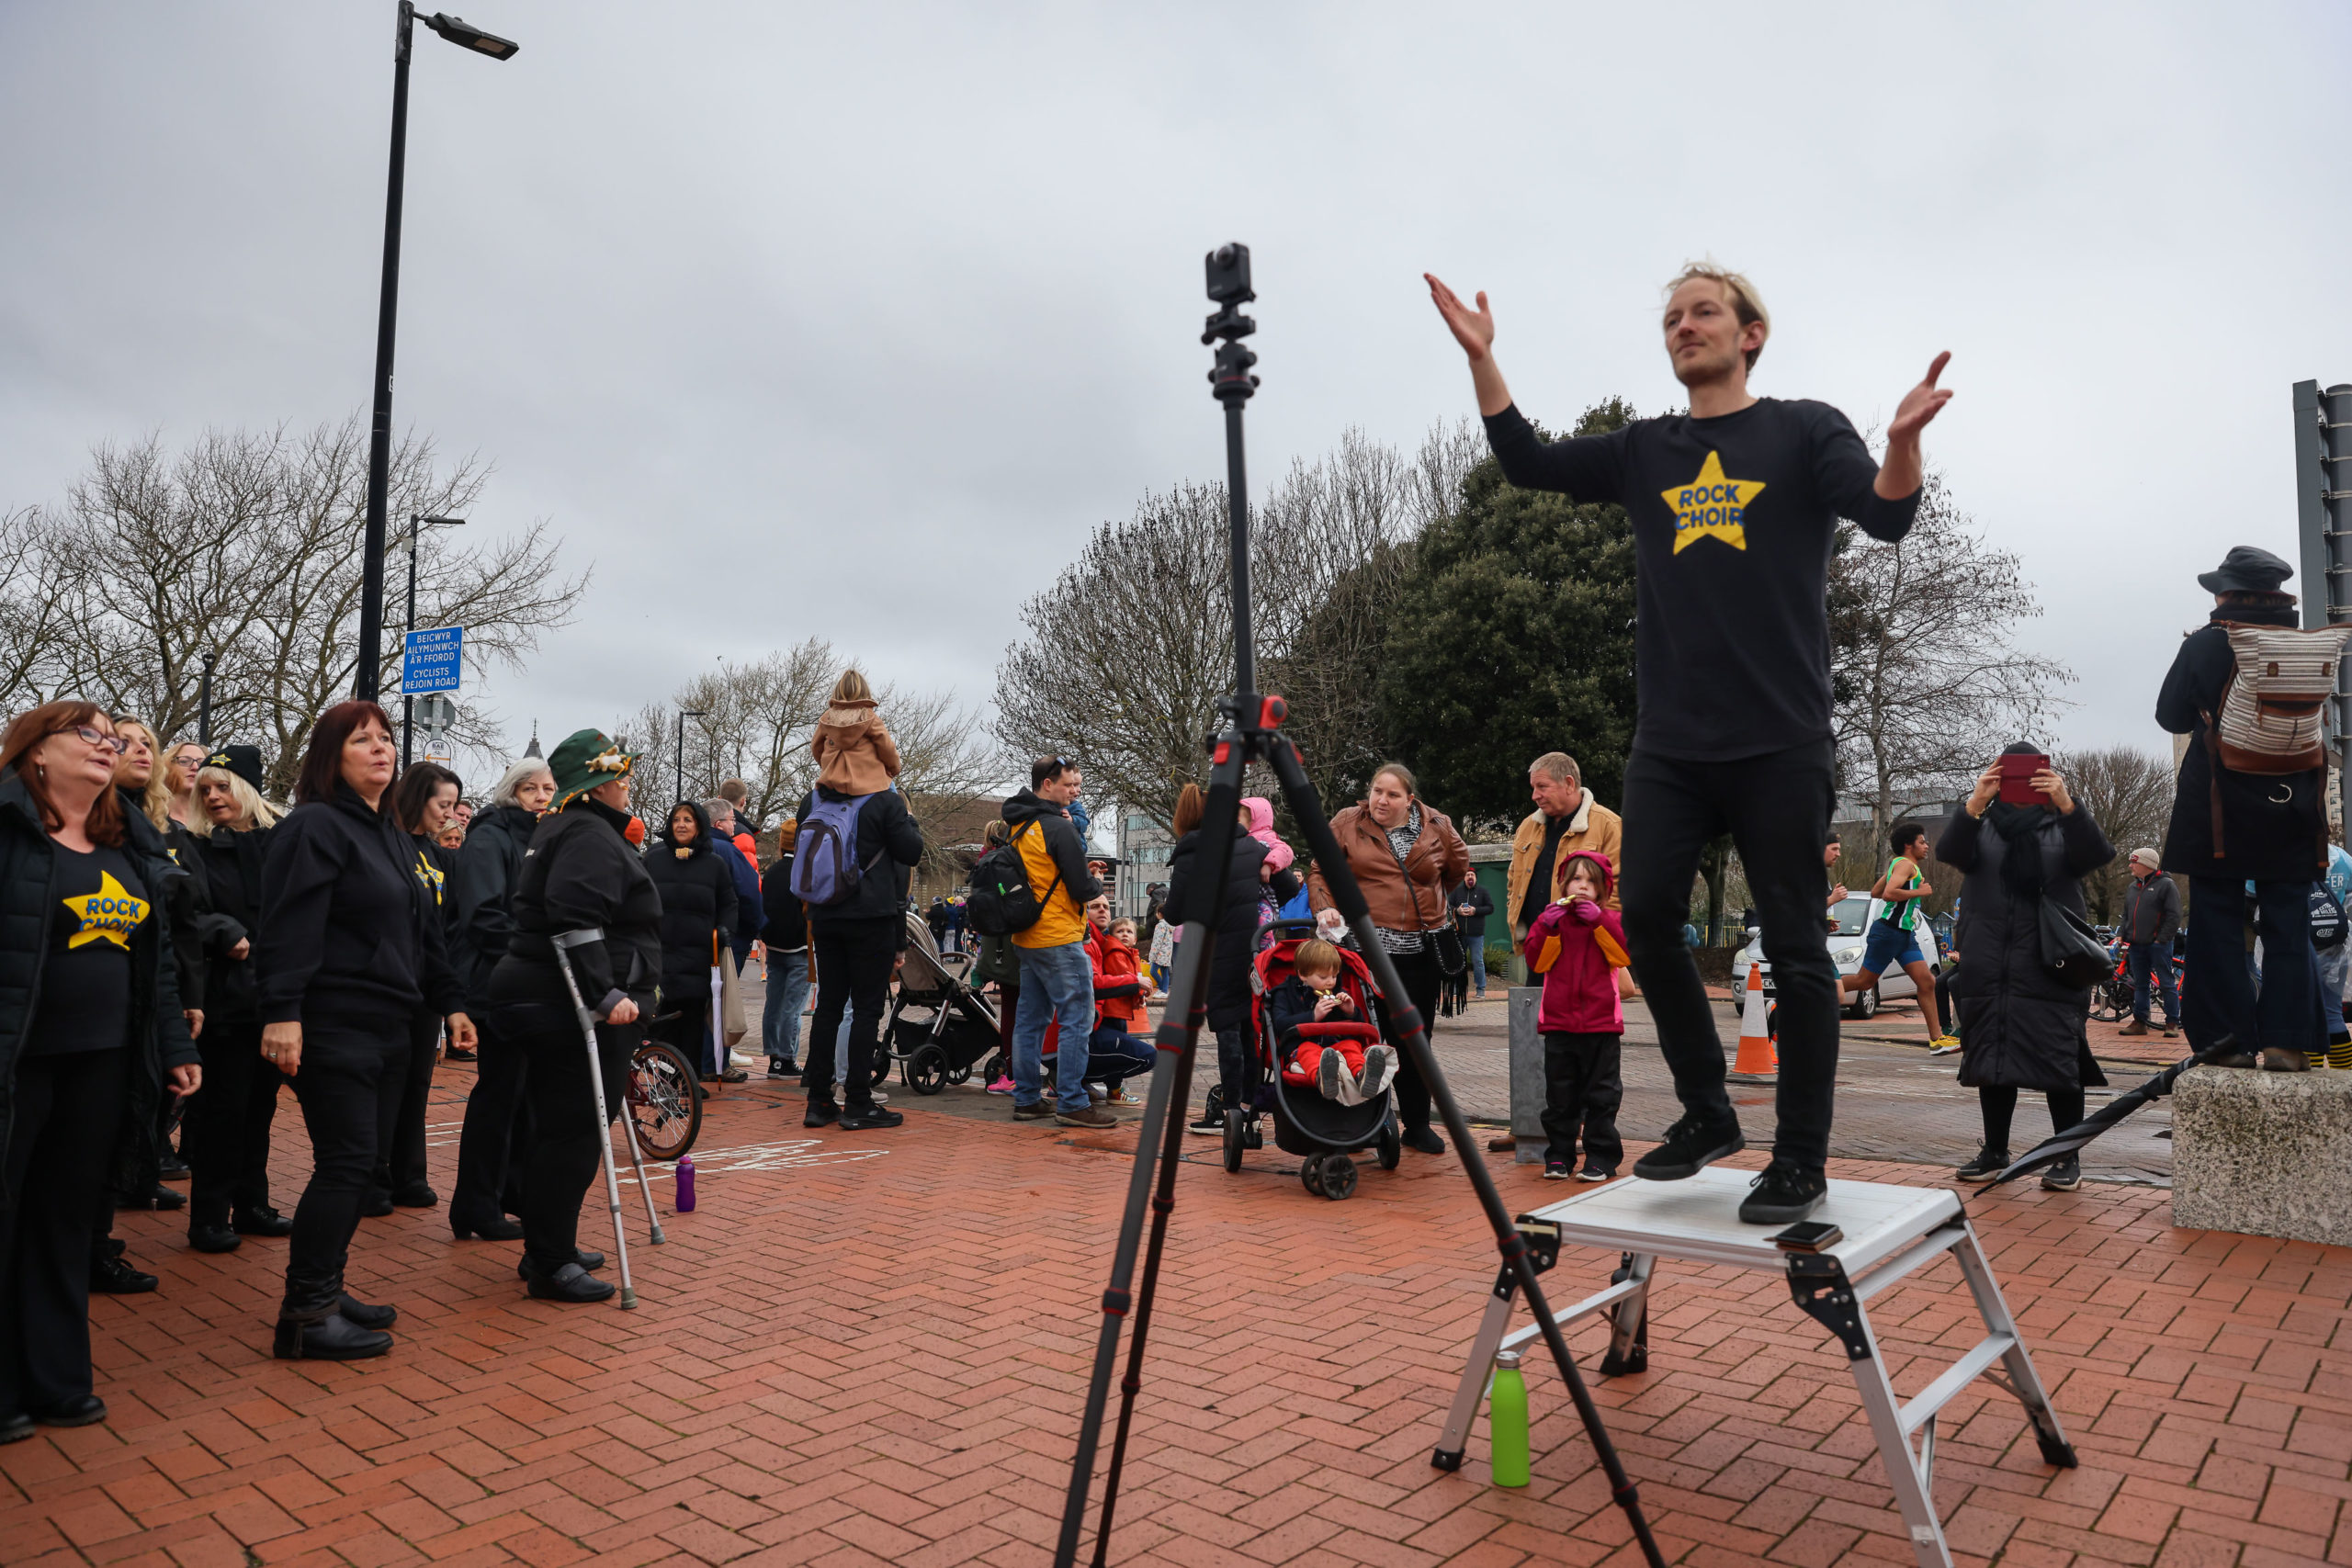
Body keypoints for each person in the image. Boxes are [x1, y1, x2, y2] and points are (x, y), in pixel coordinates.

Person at [1428, 260, 1946, 1224]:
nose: (1683, 326)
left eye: (1703, 311)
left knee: (1794, 949)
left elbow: (1887, 513)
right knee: (1648, 913)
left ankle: (1800, 1159)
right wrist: (1484, 361)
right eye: (1670, 317)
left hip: (1779, 739)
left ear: (1751, 333)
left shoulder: (1801, 429)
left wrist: (1902, 443)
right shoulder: (1645, 450)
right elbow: (1528, 462)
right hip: (1670, 743)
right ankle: (1707, 1111)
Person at [0, 703, 199, 1442]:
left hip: (104, 1061)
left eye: (111, 736)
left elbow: (161, 963)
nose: (106, 743)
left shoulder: (130, 842)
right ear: (36, 753)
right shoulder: (8, 832)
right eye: (86, 733)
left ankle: (56, 1377)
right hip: (18, 1061)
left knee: (65, 1216)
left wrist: (175, 1046)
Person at [254, 701, 474, 1359]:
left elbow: (421, 930)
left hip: (391, 1022)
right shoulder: (314, 827)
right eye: (361, 740)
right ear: (331, 756)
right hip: (332, 1021)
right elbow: (288, 925)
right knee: (347, 1161)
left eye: (385, 739)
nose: (381, 749)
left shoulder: (390, 835)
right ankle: (306, 1313)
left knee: (362, 1161)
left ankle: (328, 1284)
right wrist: (283, 1011)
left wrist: (452, 1001)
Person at [481, 729, 662, 1302]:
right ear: (597, 784)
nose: (626, 784)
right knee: (574, 1130)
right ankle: (550, 1260)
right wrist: (605, 994)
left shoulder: (560, 827)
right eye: (619, 776)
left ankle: (546, 1242)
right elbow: (574, 915)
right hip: (565, 1000)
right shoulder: (585, 832)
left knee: (553, 1125)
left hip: (537, 992)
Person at [1938, 749, 2114, 1190]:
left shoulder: (2063, 825)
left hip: (2050, 964)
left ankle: (2065, 1156)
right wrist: (1975, 802)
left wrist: (2069, 804)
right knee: (1992, 1062)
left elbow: (2096, 855)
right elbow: (1948, 852)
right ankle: (1995, 1151)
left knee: (2060, 1060)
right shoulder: (1981, 829)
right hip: (1989, 965)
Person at [1306, 762, 1470, 1155]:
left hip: (1420, 952)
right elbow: (1319, 871)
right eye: (1377, 791)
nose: (1382, 800)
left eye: (1393, 794)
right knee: (1358, 1034)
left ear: (1410, 799)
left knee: (1415, 1041)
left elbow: (1456, 871)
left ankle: (1416, 1124)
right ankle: (1357, 1124)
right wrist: (1325, 907)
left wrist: (1430, 902)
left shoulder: (1438, 826)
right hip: (1362, 952)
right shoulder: (1348, 821)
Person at [793, 694, 922, 1133]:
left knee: (828, 1006)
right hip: (871, 918)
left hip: (825, 914)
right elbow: (911, 852)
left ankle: (818, 1100)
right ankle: (859, 1102)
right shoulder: (884, 802)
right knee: (867, 1009)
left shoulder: (813, 802)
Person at [184, 745, 292, 1252]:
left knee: (260, 1107)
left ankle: (252, 1203)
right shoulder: (194, 847)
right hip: (225, 997)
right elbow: (180, 911)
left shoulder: (283, 845)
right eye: (205, 788)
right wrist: (222, 929)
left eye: (222, 786)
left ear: (246, 790)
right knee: (221, 1111)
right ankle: (208, 1215)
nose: (211, 796)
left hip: (274, 996)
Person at [447, 757, 554, 1240]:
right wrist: (531, 955)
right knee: (498, 1096)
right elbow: (484, 914)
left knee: (524, 1097)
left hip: (527, 984)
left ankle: (510, 1194)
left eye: (549, 789)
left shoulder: (541, 838)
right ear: (513, 790)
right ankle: (475, 1204)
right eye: (531, 788)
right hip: (498, 983)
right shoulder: (490, 836)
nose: (541, 797)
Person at [369, 761, 462, 1215]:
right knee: (385, 1080)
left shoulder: (437, 854)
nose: (448, 815)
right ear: (416, 798)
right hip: (388, 982)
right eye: (442, 804)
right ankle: (374, 1172)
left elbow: (448, 920)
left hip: (429, 983)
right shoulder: (387, 844)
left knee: (417, 1081)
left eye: (452, 806)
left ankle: (410, 1172)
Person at [1004, 757, 1113, 1128]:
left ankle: (1027, 1098)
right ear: (1047, 784)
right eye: (1070, 785)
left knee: (1029, 1022)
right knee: (1077, 1019)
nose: (1076, 792)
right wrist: (1095, 881)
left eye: (1078, 785)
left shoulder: (1018, 823)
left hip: (1027, 934)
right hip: (1060, 935)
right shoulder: (1059, 827)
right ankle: (1072, 1101)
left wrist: (1082, 871)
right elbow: (1082, 889)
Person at [1525, 852, 1632, 1181]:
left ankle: (1601, 1158)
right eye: (1576, 879)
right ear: (1564, 884)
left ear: (1602, 889)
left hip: (1602, 1024)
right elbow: (1538, 962)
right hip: (1559, 1023)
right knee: (1560, 1096)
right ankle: (1559, 1156)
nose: (1582, 886)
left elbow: (1622, 954)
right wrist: (1547, 925)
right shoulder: (1551, 920)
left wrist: (1599, 920)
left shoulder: (1610, 919)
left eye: (1589, 881)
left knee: (1602, 1095)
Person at [642, 800, 740, 1083]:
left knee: (693, 1020)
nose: (681, 825)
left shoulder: (714, 864)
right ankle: (668, 1079)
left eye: (688, 820)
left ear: (699, 825)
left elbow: (729, 903)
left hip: (699, 955)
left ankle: (691, 1080)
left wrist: (724, 930)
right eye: (676, 820)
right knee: (665, 1019)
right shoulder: (654, 858)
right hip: (661, 953)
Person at [1838, 822, 1955, 1051]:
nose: (1927, 846)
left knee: (1927, 982)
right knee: (1864, 981)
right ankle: (1818, 990)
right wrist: (1919, 892)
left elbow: (1875, 892)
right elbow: (1889, 894)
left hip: (1904, 935)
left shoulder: (1898, 864)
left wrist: (1895, 879)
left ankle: (1937, 1039)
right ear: (1908, 845)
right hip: (1888, 933)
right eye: (1922, 842)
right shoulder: (1904, 864)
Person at [1506, 755, 1623, 965]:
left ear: (1569, 784)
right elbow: (1513, 882)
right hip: (1538, 949)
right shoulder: (1527, 827)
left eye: (1542, 786)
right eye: (1533, 787)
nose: (1534, 796)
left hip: (1586, 953)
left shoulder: (1609, 826)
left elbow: (1620, 892)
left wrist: (1598, 933)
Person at [1265, 939, 1394, 1103]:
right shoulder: (1284, 993)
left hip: (1334, 1044)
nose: (1330, 982)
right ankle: (1324, 1078)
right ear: (1302, 974)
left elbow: (1357, 1027)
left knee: (1351, 1046)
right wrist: (1312, 1017)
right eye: (1323, 976)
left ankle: (1363, 1075)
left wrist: (1351, 1012)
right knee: (1308, 1050)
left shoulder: (1338, 992)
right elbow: (1280, 1024)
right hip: (1301, 1046)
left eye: (1334, 976)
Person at [1077, 896, 1154, 1105]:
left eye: (1106, 906)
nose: (1102, 910)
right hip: (1104, 1014)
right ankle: (1072, 1081)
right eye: (1095, 907)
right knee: (1146, 1055)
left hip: (1112, 1011)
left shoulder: (1103, 941)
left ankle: (1111, 1090)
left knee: (1125, 1046)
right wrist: (1137, 986)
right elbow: (1106, 980)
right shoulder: (1105, 946)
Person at [971, 820, 1021, 1096]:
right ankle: (1016, 1071)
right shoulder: (1005, 866)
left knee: (1011, 1011)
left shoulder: (983, 863)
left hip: (994, 949)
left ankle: (1010, 1067)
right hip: (1013, 947)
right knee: (1022, 1012)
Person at [761, 819, 810, 1078]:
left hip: (775, 946)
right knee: (793, 1007)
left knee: (774, 1003)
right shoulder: (805, 870)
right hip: (800, 947)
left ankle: (774, 1059)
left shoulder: (771, 872)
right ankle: (787, 1058)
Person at [2117, 847, 2182, 1039]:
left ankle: (2172, 1023)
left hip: (2158, 945)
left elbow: (2173, 915)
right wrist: (2122, 933)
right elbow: (2127, 914)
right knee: (2141, 984)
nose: (2130, 865)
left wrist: (2161, 939)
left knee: (2166, 983)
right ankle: (2140, 1022)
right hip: (2137, 944)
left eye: (2134, 861)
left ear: (2146, 864)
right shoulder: (2132, 887)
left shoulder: (2167, 885)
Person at [812, 669, 901, 795]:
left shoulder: (827, 718)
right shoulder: (870, 717)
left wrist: (829, 767)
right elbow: (887, 749)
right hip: (871, 785)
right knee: (897, 804)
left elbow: (816, 749)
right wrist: (894, 769)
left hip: (831, 783)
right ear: (865, 692)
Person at [1453, 874, 1494, 998]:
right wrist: (1457, 911)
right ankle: (1457, 988)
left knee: (1477, 961)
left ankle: (1480, 989)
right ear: (1464, 878)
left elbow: (1490, 908)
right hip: (1459, 934)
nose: (1470, 877)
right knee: (1458, 962)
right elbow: (1447, 907)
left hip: (1476, 934)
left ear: (1475, 878)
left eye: (1472, 875)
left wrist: (1475, 911)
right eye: (1467, 875)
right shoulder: (1457, 892)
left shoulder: (1483, 891)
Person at [164, 741, 209, 830]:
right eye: (184, 761)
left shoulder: (217, 821)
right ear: (167, 767)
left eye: (202, 763)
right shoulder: (151, 817)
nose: (195, 767)